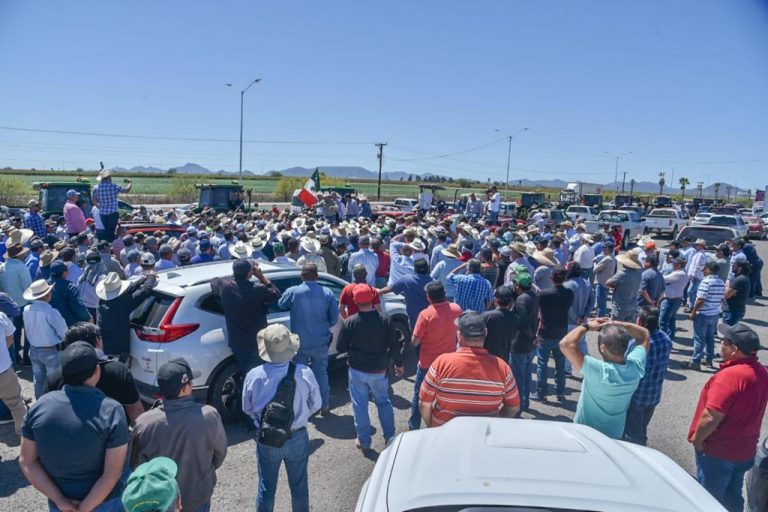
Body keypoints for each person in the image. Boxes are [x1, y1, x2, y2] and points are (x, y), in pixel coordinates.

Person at [20, 341, 129, 512]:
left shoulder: (39, 407)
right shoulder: (112, 411)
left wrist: (60, 501)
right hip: (105, 502)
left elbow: (27, 461)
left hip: (61, 505)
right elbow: (112, 473)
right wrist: (85, 508)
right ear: (96, 371)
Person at [688, 323, 768, 511]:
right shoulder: (762, 372)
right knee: (732, 495)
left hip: (719, 452)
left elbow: (710, 417)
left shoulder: (730, 377)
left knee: (709, 501)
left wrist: (698, 441)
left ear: (734, 349)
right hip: (745, 450)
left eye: (724, 341)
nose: (720, 344)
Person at [130, 358, 227, 512]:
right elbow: (220, 454)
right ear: (184, 388)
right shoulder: (209, 415)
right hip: (198, 495)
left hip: (163, 500)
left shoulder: (144, 424)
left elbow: (136, 464)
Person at [242, 324, 321, 512]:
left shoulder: (254, 376)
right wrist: (300, 415)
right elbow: (316, 404)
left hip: (267, 437)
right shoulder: (304, 373)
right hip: (297, 435)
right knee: (299, 487)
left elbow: (247, 408)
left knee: (266, 488)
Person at [418, 311, 520, 427]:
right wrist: (495, 423)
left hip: (445, 437)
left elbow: (424, 404)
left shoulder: (441, 363)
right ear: (485, 333)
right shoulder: (502, 367)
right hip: (483, 438)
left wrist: (433, 426)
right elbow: (513, 407)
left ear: (458, 335)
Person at [336, 284, 403, 450]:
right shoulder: (385, 319)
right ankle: (390, 437)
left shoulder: (350, 322)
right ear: (373, 299)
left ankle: (364, 441)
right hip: (380, 369)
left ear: (355, 301)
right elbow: (394, 345)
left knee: (360, 405)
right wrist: (399, 364)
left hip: (357, 369)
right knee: (383, 402)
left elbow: (340, 347)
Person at [560, 318, 650, 440]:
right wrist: (618, 324)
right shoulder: (635, 369)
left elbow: (565, 344)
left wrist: (586, 326)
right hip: (614, 435)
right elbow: (644, 335)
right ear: (626, 346)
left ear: (602, 347)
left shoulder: (597, 370)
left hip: (584, 434)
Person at [47, 322, 144, 424]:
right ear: (98, 341)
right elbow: (135, 410)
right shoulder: (118, 371)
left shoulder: (54, 377)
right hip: (113, 433)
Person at [278, 263, 339, 414]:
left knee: (300, 375)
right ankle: (324, 405)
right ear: (317, 275)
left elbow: (280, 304)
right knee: (321, 373)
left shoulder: (294, 291)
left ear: (301, 276)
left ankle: (303, 406)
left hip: (300, 343)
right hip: (321, 341)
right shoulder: (327, 293)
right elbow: (334, 319)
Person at [210, 259, 280, 378]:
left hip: (238, 343)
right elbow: (276, 294)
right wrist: (262, 277)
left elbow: (213, 282)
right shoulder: (258, 289)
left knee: (248, 376)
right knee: (259, 377)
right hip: (257, 343)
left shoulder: (225, 287)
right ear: (250, 273)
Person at [409, 281, 462, 430]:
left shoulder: (425, 314)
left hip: (428, 364)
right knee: (446, 397)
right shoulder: (457, 309)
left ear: (429, 298)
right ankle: (444, 426)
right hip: (449, 364)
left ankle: (414, 427)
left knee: (420, 396)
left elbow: (415, 341)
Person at [623, 306, 672, 446]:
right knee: (642, 428)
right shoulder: (665, 338)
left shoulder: (636, 344)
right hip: (654, 394)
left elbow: (627, 370)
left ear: (639, 322)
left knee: (632, 435)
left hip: (637, 395)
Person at [533, 266, 573, 402]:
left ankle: (541, 393)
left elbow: (539, 312)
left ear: (551, 278)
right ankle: (560, 393)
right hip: (562, 332)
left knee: (542, 363)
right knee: (560, 364)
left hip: (545, 332)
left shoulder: (543, 294)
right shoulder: (569, 293)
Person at [96, 272, 156, 361]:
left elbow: (127, 290)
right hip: (118, 351)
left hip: (104, 347)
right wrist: (151, 277)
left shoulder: (102, 302)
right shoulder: (123, 303)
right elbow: (145, 291)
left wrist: (143, 279)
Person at [23, 279, 68, 398]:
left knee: (38, 379)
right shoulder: (51, 312)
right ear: (47, 295)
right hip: (50, 351)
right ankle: (53, 404)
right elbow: (64, 333)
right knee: (54, 380)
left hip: (33, 349)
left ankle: (40, 402)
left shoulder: (27, 310)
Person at [687, 261, 725, 370]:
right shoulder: (721, 282)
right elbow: (721, 299)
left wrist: (693, 313)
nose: (702, 270)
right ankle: (709, 360)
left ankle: (695, 361)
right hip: (714, 314)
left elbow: (700, 300)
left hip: (703, 314)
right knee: (710, 338)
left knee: (699, 338)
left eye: (704, 268)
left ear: (709, 269)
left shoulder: (706, 282)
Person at [1, 243, 32, 365]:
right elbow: (27, 287)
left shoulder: (4, 266)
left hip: (9, 305)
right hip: (23, 303)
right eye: (23, 253)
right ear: (19, 255)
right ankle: (26, 359)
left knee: (14, 332)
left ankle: (15, 358)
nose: (25, 254)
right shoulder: (21, 267)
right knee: (28, 332)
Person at [380, 258, 432, 327]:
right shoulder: (434, 283)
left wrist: (377, 292)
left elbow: (389, 289)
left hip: (414, 318)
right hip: (431, 318)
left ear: (415, 269)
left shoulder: (406, 280)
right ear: (428, 269)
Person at [0, 309, 26, 437]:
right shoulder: (1, 316)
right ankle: (26, 439)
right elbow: (10, 337)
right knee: (16, 404)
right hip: (3, 370)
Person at [92, 169, 132, 242]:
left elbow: (94, 200)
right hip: (113, 212)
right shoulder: (113, 186)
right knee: (111, 231)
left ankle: (107, 244)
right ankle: (110, 244)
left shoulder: (96, 187)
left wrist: (99, 207)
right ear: (109, 177)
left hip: (103, 213)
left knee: (107, 230)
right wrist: (130, 183)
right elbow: (126, 190)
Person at [482, 285, 519, 362]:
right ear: (511, 302)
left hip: (485, 358)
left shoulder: (486, 316)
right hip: (503, 359)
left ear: (495, 301)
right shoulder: (515, 319)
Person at [48, 260, 91, 327]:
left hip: (52, 323)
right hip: (70, 324)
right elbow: (79, 308)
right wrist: (89, 317)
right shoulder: (70, 287)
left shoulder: (45, 286)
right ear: (64, 272)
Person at [606, 248, 643, 322]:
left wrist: (614, 286)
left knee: (616, 330)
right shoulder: (639, 274)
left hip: (620, 307)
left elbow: (608, 283)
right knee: (628, 330)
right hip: (632, 306)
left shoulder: (622, 274)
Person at [659, 256, 688, 341]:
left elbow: (663, 279)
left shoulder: (678, 274)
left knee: (663, 322)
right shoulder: (682, 272)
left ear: (679, 265)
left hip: (670, 300)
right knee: (671, 320)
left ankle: (663, 340)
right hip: (676, 299)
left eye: (675, 263)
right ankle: (670, 338)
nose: (673, 265)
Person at [593, 240, 616, 317]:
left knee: (601, 305)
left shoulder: (606, 259)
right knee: (603, 303)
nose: (602, 249)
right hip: (607, 283)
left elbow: (595, 269)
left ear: (608, 249)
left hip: (602, 283)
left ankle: (599, 321)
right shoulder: (613, 258)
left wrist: (595, 262)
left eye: (604, 248)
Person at [685, 238, 709, 311]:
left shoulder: (700, 255)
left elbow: (698, 266)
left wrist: (694, 275)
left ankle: (693, 306)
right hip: (695, 276)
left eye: (697, 244)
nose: (695, 246)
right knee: (692, 291)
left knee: (691, 291)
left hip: (696, 277)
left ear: (702, 246)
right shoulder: (698, 253)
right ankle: (692, 305)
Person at [724, 260, 751, 325]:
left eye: (734, 265)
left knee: (728, 331)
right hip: (735, 309)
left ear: (740, 268)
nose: (732, 266)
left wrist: (727, 284)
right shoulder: (742, 278)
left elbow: (727, 295)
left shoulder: (739, 280)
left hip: (732, 310)